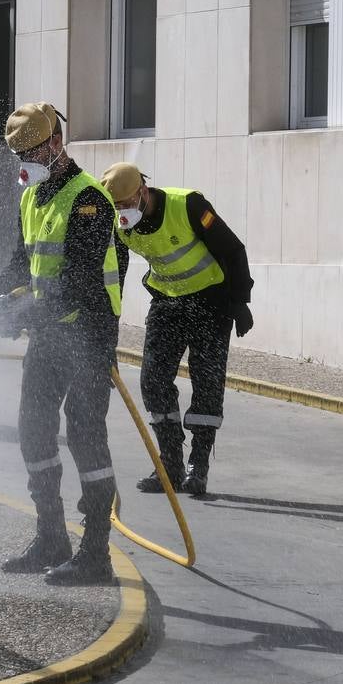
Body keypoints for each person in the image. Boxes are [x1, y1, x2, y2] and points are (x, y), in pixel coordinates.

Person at [0, 102, 122, 587]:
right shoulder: (32, 195)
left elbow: (82, 284)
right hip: (49, 330)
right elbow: (23, 261)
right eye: (18, 154)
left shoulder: (89, 200)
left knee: (86, 435)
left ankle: (95, 553)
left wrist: (21, 313)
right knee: (33, 428)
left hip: (88, 331)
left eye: (31, 151)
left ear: (56, 144)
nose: (25, 161)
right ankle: (50, 536)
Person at [99, 161, 254, 497]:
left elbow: (232, 248)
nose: (122, 212)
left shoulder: (188, 205)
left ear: (142, 191)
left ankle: (198, 465)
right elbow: (115, 274)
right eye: (116, 206)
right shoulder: (118, 223)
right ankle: (169, 464)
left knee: (207, 382)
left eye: (126, 203)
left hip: (210, 302)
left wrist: (241, 301)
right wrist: (107, 322)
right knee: (152, 381)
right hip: (167, 303)